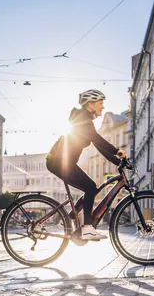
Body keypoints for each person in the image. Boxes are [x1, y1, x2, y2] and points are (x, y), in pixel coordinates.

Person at [46, 89, 126, 240]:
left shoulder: (84, 120)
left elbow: (99, 147)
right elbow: (97, 140)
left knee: (92, 187)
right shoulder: (83, 119)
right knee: (90, 187)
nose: (103, 107)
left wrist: (118, 161)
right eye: (101, 103)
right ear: (91, 104)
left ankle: (72, 215)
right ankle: (87, 229)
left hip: (63, 162)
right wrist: (117, 151)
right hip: (58, 162)